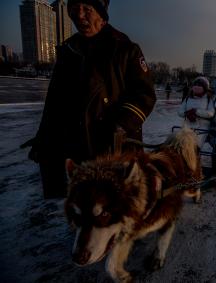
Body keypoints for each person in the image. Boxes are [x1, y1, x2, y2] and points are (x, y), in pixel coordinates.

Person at [22, 0, 156, 198]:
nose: (80, 15)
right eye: (75, 9)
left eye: (87, 9)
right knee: (85, 204)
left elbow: (145, 94)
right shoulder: (69, 51)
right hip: (79, 149)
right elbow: (54, 104)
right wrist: (44, 139)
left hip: (115, 149)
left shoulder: (126, 49)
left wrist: (121, 125)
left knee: (117, 205)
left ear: (102, 14)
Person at [177, 76, 215, 148]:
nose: (197, 87)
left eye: (200, 85)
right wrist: (186, 113)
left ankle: (195, 156)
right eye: (196, 85)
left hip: (202, 127)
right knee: (183, 144)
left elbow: (211, 113)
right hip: (188, 125)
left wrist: (196, 112)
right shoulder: (188, 98)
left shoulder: (209, 99)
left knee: (195, 145)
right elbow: (180, 111)